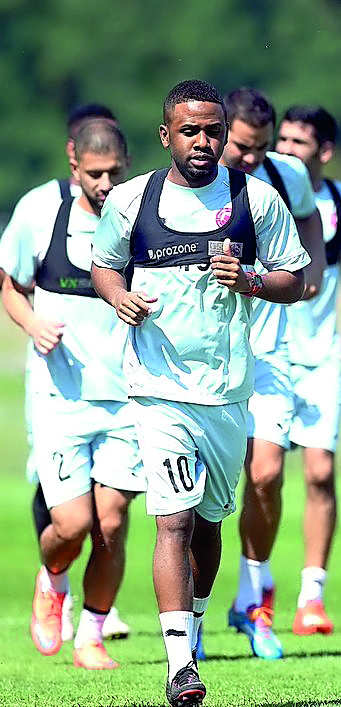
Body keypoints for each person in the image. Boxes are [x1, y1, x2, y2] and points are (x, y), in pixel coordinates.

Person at [91, 78, 309, 707]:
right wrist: (118, 295)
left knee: (211, 522)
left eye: (213, 130)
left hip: (229, 388)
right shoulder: (133, 202)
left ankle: (198, 623)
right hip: (157, 388)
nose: (204, 142)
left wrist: (252, 279)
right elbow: (104, 264)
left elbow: (295, 280)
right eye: (190, 130)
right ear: (166, 136)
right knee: (174, 519)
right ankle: (179, 662)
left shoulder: (257, 199)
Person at [0, 119, 144, 670]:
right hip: (62, 397)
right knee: (72, 525)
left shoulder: (140, 215)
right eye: (95, 174)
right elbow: (11, 286)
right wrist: (34, 324)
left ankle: (91, 635)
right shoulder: (39, 212)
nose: (106, 184)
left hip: (128, 396)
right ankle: (52, 577)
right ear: (73, 165)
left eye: (115, 172)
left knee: (111, 524)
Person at [219, 86, 325, 661]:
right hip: (208, 360)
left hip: (272, 356)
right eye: (242, 147)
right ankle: (189, 618)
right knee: (204, 497)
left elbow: (310, 225)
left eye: (260, 147)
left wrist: (315, 275)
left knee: (264, 477)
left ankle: (252, 600)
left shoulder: (288, 177)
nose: (252, 159)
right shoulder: (194, 186)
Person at [271, 104, 341, 635]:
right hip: (262, 357)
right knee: (260, 477)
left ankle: (311, 596)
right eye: (283, 140)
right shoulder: (256, 194)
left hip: (318, 358)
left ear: (324, 152)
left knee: (319, 472)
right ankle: (256, 588)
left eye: (299, 143)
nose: (287, 151)